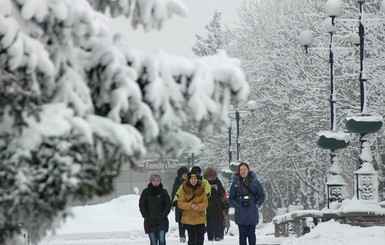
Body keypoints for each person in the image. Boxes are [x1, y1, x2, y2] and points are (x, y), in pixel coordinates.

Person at [229, 162, 265, 245]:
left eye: (245, 169)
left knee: (251, 234)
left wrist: (257, 204)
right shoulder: (235, 183)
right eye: (241, 169)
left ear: (248, 170)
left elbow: (261, 195)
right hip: (240, 211)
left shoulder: (255, 182)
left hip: (252, 211)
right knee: (242, 235)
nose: (243, 171)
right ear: (238, 171)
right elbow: (231, 197)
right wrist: (236, 205)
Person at [139, 173, 172, 245]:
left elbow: (168, 204)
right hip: (150, 221)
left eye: (158, 180)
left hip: (162, 220)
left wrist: (163, 214)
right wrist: (146, 216)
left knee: (162, 239)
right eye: (154, 180)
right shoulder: (145, 192)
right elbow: (142, 205)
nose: (156, 182)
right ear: (150, 181)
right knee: (153, 242)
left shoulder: (163, 192)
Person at [178, 170, 208, 245]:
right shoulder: (184, 189)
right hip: (188, 217)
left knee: (200, 239)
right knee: (192, 239)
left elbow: (205, 203)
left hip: (200, 217)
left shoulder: (202, 188)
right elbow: (180, 203)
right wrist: (190, 206)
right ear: (189, 179)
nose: (193, 180)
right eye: (191, 179)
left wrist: (199, 207)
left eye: (195, 179)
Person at [203, 166, 227, 241]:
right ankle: (210, 237)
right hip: (208, 206)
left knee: (218, 223)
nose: (210, 178)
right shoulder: (204, 183)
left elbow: (222, 193)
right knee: (209, 223)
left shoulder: (218, 182)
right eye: (209, 176)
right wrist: (208, 189)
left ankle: (218, 236)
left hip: (217, 206)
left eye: (212, 176)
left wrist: (217, 189)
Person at [171, 166, 189, 243]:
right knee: (181, 222)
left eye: (186, 174)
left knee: (189, 221)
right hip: (180, 205)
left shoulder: (190, 182)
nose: (185, 175)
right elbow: (173, 193)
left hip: (189, 205)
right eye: (183, 174)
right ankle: (182, 236)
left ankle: (191, 236)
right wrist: (173, 203)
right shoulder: (177, 183)